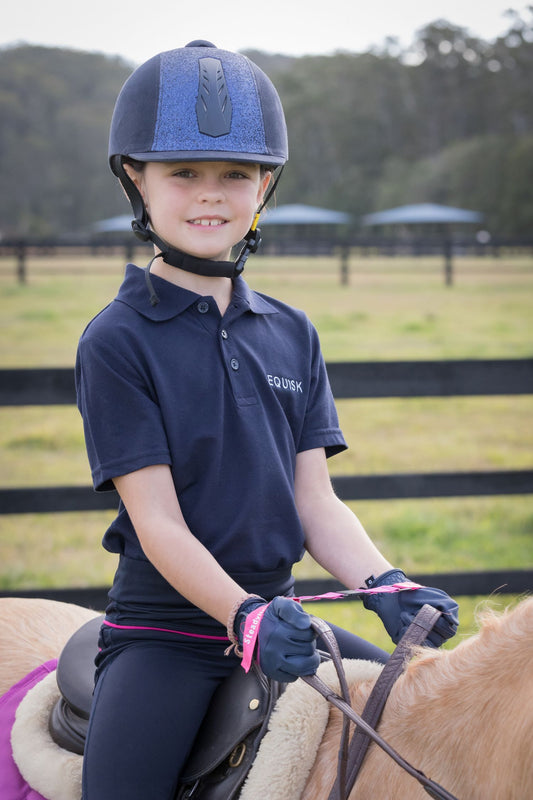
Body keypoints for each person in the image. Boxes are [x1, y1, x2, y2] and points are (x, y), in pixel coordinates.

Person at [75, 40, 459, 799]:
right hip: (171, 636)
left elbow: (313, 499)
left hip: (284, 624)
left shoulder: (291, 330)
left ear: (265, 185)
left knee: (426, 720)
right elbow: (159, 526)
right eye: (183, 173)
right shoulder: (115, 340)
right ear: (134, 178)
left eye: (235, 175)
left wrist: (383, 582)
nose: (210, 195)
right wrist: (242, 616)